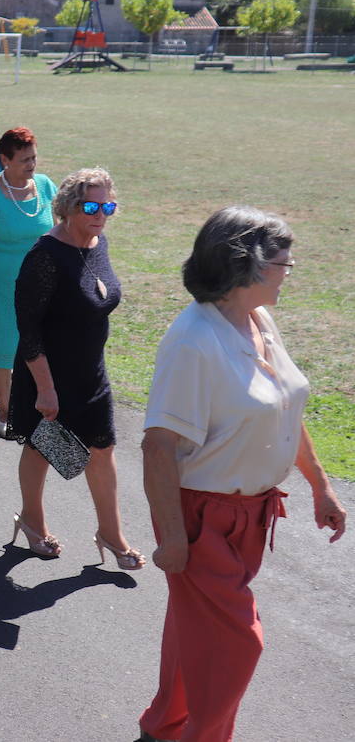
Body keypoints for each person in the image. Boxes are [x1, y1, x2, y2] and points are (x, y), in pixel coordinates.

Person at [136, 206, 346, 742]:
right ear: (245, 265)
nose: (288, 270)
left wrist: (320, 485)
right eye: (281, 261)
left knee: (197, 629)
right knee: (238, 642)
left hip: (250, 515)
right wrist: (174, 539)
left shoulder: (257, 319)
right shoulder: (193, 341)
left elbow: (284, 408)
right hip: (202, 517)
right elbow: (158, 447)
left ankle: (166, 723)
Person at [5, 168, 142, 570]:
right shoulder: (44, 257)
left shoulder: (99, 244)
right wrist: (46, 390)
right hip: (48, 375)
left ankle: (111, 534)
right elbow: (28, 331)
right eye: (91, 206)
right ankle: (32, 521)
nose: (101, 214)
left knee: (103, 450)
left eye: (108, 206)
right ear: (67, 208)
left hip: (91, 374)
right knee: (41, 448)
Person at [0, 127, 54, 437]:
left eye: (34, 157)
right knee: (4, 351)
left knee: (35, 349)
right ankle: (6, 409)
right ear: (4, 159)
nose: (32, 164)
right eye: (24, 159)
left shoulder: (45, 187)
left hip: (40, 289)